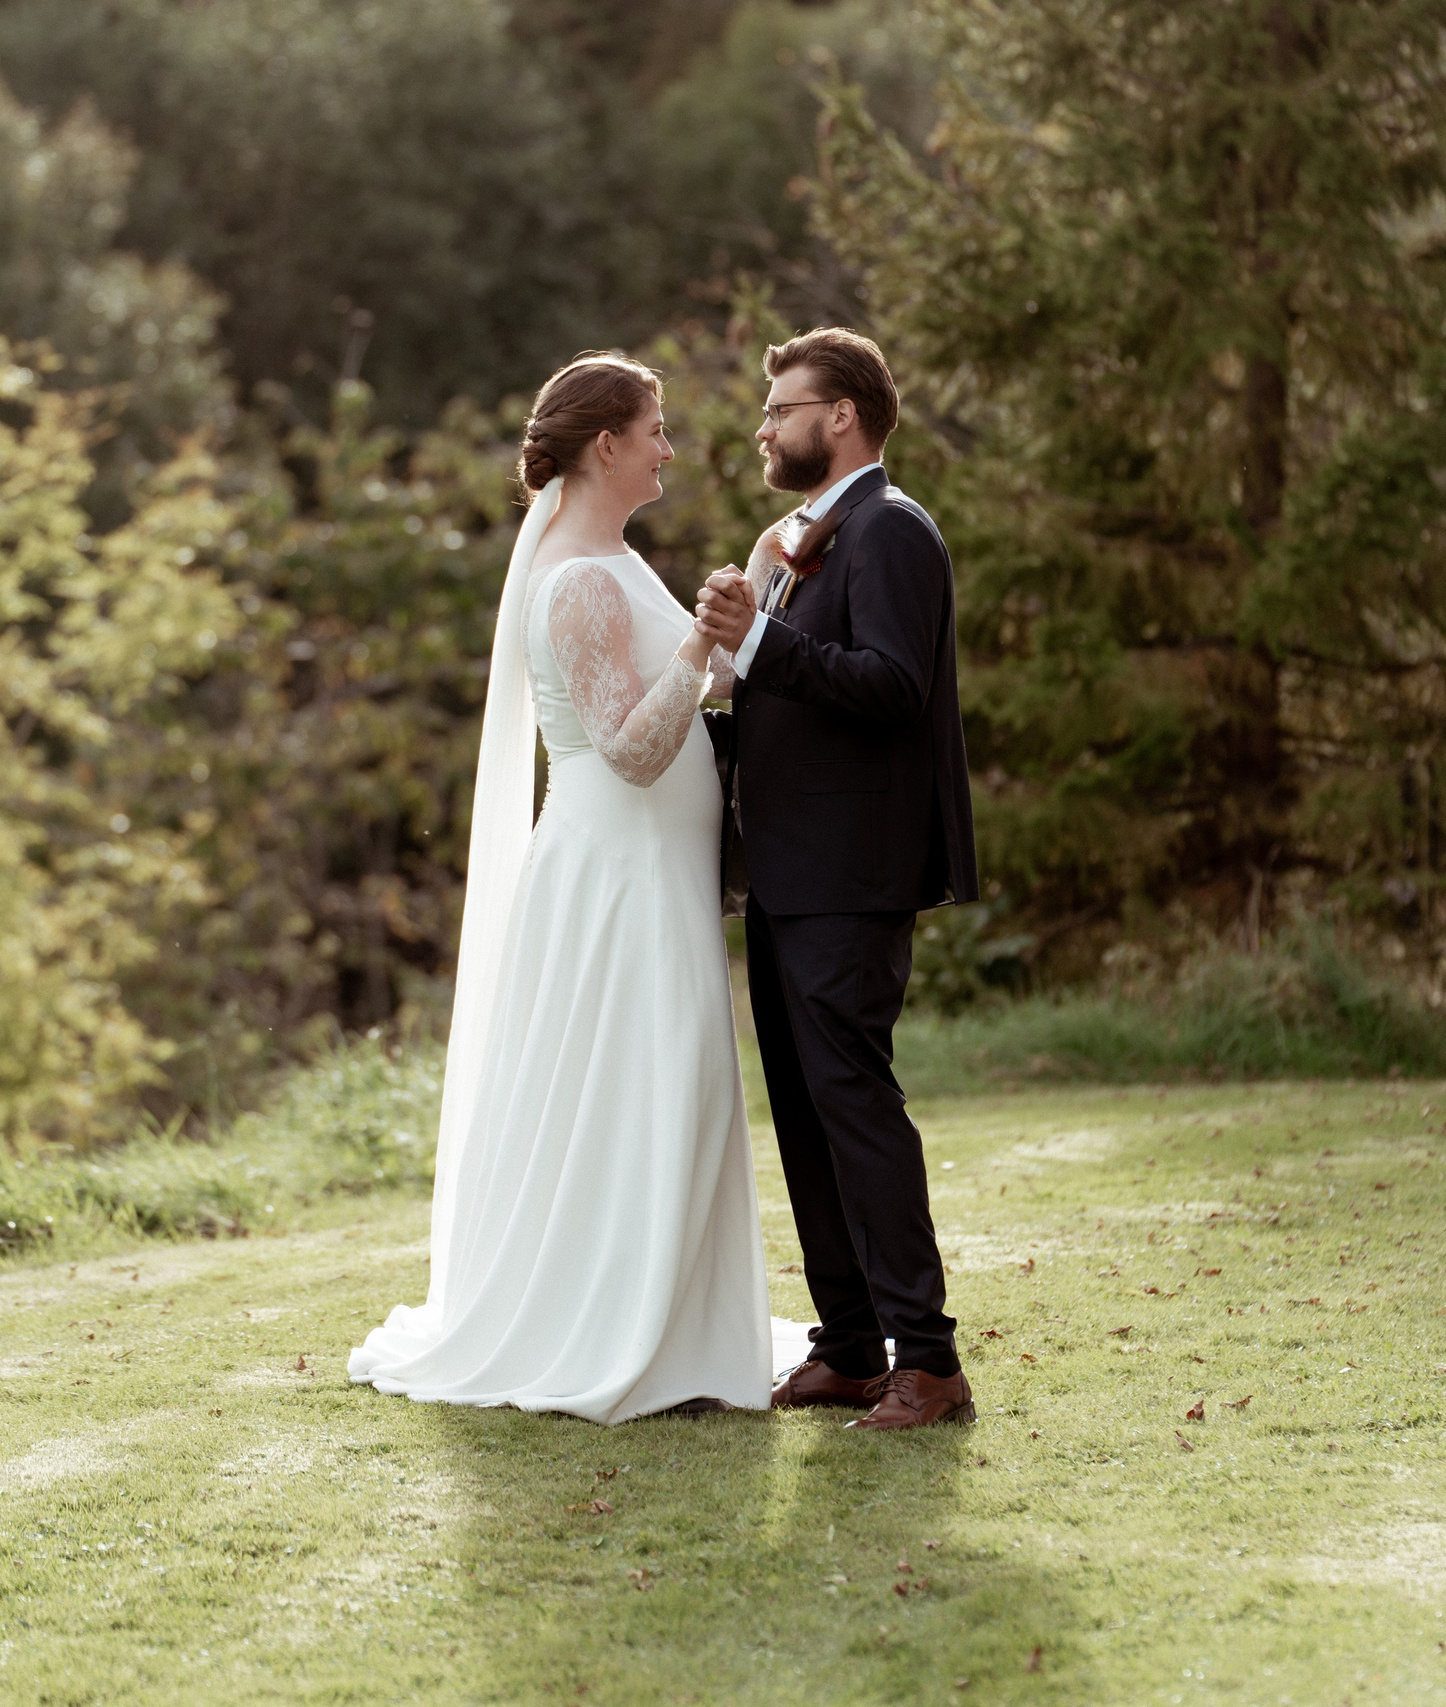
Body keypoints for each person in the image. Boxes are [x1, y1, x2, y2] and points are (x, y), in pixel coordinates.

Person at [347, 353, 769, 1424]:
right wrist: (701, 651)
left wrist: (745, 609)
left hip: (655, 868)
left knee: (677, 1083)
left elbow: (688, 679)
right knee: (644, 1084)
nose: (670, 449)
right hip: (615, 877)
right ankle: (616, 1327)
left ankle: (679, 1326)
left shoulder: (615, 559)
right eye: (657, 429)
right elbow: (629, 748)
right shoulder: (576, 578)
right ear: (606, 444)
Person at [694, 328, 983, 1431]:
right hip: (785, 874)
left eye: (780, 408)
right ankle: (851, 1346)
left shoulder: (890, 531)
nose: (764, 427)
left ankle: (932, 1360)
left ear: (842, 417)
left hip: (851, 877)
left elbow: (894, 687)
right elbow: (802, 706)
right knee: (808, 1117)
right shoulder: (813, 539)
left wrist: (759, 650)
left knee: (856, 1108)